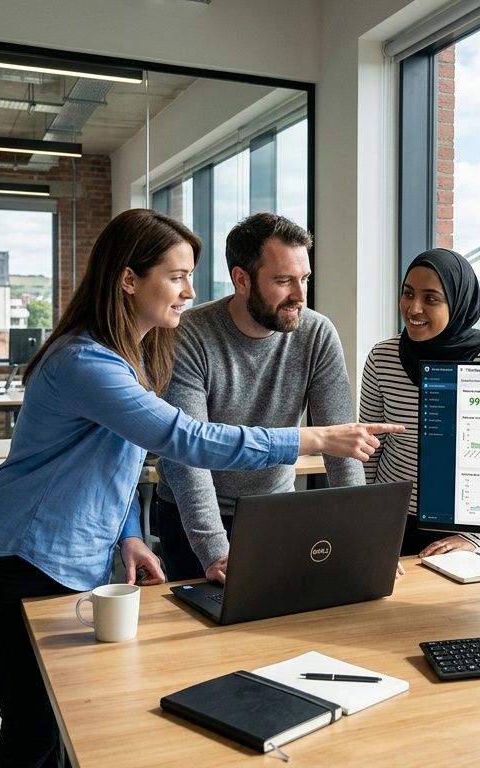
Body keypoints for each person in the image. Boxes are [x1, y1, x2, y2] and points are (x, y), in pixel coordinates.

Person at [0, 209, 400, 768]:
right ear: (128, 279)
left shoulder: (128, 354)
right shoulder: (86, 361)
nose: (190, 291)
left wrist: (128, 533)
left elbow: (113, 460)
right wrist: (311, 438)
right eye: (176, 276)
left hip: (71, 558)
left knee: (70, 727)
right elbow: (184, 439)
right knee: (35, 732)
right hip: (18, 558)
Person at [154, 212, 362, 584]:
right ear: (241, 280)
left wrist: (363, 538)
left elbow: (339, 443)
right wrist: (217, 553)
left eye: (304, 279)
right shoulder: (188, 336)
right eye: (283, 281)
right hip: (192, 517)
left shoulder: (316, 334)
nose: (299, 295)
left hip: (273, 512)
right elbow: (190, 456)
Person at [359, 248, 480, 558]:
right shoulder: (382, 357)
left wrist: (473, 536)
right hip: (390, 520)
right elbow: (369, 449)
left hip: (459, 528)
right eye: (408, 293)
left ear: (457, 304)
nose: (413, 308)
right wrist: (366, 520)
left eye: (430, 299)